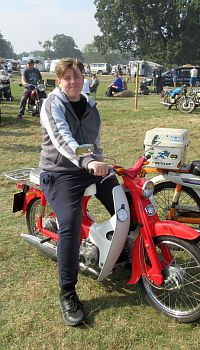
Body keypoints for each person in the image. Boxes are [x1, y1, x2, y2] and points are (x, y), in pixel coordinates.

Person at [39, 57, 119, 326]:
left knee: (127, 201)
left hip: (88, 167)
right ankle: (68, 292)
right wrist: (89, 161)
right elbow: (63, 140)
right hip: (59, 173)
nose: (73, 82)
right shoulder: (52, 104)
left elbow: (94, 140)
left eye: (77, 76)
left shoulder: (91, 105)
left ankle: (127, 251)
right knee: (70, 224)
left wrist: (99, 160)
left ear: (84, 78)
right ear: (59, 81)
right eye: (67, 78)